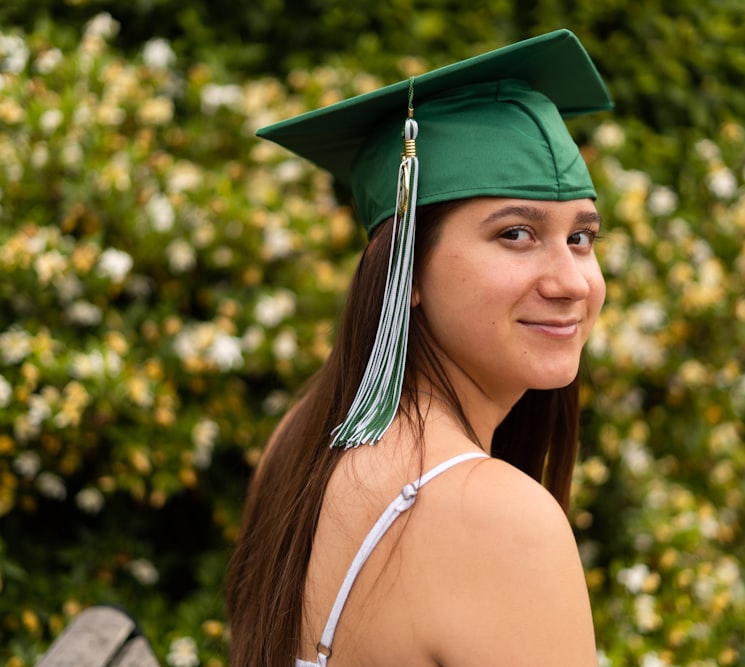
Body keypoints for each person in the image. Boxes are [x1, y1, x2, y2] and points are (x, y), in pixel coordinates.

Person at [226, 29, 613, 667]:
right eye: (516, 233)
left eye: (581, 237)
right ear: (404, 271)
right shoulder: (498, 519)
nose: (571, 282)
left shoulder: (302, 440)